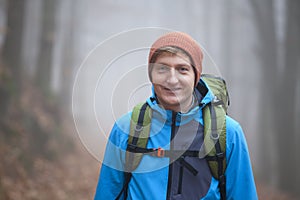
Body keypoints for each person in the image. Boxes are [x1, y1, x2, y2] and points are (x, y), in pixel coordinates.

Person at [94, 32, 258, 199]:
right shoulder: (125, 129)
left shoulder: (228, 133)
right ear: (151, 75)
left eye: (182, 69)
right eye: (162, 68)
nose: (172, 80)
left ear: (196, 76)